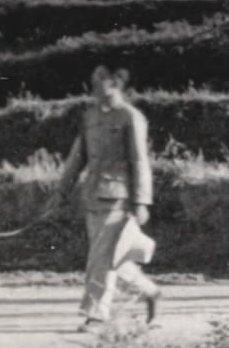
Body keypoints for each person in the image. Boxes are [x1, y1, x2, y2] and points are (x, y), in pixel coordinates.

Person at [53, 65, 161, 330]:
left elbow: (139, 161)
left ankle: (96, 316)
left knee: (101, 258)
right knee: (113, 257)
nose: (93, 84)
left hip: (119, 199)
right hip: (92, 196)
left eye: (98, 79)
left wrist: (142, 201)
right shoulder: (89, 116)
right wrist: (60, 192)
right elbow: (77, 157)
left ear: (114, 83)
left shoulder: (131, 117)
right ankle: (149, 291)